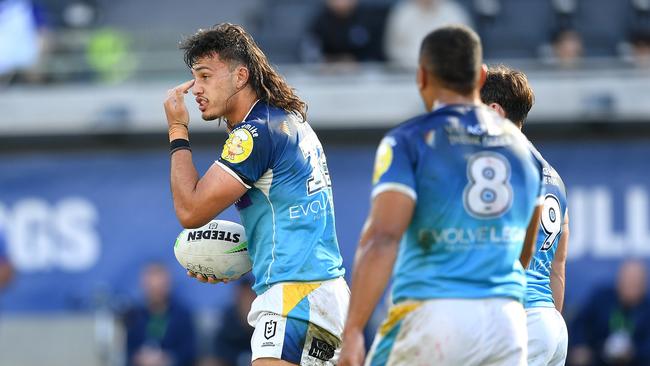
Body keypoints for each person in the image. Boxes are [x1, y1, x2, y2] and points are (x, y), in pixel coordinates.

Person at [338, 25, 545, 366]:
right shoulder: (524, 151)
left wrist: (354, 330)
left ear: (422, 76)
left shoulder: (409, 140)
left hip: (433, 312)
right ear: (480, 77)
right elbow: (525, 249)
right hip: (506, 322)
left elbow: (383, 238)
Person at [163, 23, 349, 366]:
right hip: (318, 293)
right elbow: (290, 218)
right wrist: (231, 256)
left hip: (295, 295)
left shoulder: (253, 134)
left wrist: (177, 129)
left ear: (240, 76)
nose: (196, 89)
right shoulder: (283, 120)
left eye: (205, 76)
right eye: (194, 77)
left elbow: (190, 211)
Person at [481, 65, 570, 366]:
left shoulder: (496, 170)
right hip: (550, 324)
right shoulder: (555, 179)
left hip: (519, 322)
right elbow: (556, 269)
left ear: (494, 111)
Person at [569, 259, 650, 366]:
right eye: (628, 281)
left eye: (636, 283)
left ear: (644, 285)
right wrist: (579, 344)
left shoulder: (647, 308)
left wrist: (634, 352)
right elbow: (579, 324)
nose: (631, 286)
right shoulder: (601, 298)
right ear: (619, 280)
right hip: (597, 358)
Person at [124, 263, 197, 366]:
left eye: (159, 286)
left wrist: (169, 359)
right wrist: (139, 358)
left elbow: (189, 351)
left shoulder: (182, 316)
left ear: (168, 285)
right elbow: (129, 350)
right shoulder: (134, 315)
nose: (155, 292)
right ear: (144, 286)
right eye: (151, 287)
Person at [384, 0, 474, 69]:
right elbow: (393, 50)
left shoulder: (454, 13)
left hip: (448, 76)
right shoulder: (403, 14)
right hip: (407, 74)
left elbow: (466, 49)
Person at [303, 0, 387, 63]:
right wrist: (330, 62)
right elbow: (311, 52)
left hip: (365, 76)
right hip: (328, 77)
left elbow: (377, 53)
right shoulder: (318, 21)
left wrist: (356, 62)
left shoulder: (370, 18)